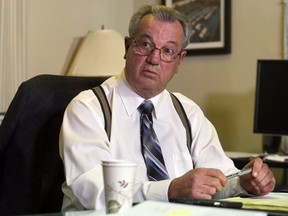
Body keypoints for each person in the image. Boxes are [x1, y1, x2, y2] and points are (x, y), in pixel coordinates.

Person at [59, 4, 275, 211]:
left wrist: (244, 181)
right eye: (145, 45)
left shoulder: (188, 112)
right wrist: (170, 189)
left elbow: (218, 176)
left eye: (168, 50)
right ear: (127, 47)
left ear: (179, 61)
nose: (154, 58)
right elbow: (96, 193)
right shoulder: (87, 109)